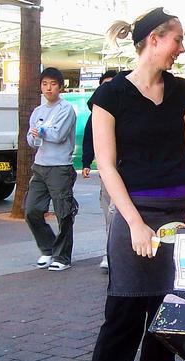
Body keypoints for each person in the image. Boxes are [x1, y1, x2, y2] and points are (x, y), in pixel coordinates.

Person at [80, 7, 185, 361]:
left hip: (181, 215)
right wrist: (134, 222)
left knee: (170, 313)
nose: (182, 48)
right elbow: (106, 166)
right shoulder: (109, 96)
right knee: (125, 317)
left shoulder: (184, 93)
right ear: (154, 39)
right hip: (135, 214)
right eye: (177, 40)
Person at [25, 67, 78, 271]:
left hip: (60, 167)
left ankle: (62, 256)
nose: (48, 88)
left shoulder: (66, 109)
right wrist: (37, 134)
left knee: (63, 213)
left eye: (53, 84)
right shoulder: (38, 111)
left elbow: (58, 135)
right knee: (32, 210)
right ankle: (47, 249)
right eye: (45, 84)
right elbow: (31, 140)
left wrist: (42, 131)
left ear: (60, 87)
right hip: (40, 166)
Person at [81, 70, 117, 271]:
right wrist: (87, 162)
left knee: (116, 211)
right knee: (109, 212)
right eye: (105, 85)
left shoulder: (126, 110)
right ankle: (110, 253)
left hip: (128, 172)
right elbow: (89, 137)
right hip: (107, 172)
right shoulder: (97, 113)